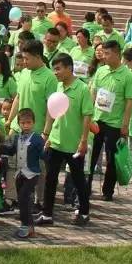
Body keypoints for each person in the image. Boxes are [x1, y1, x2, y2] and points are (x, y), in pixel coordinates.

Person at [38, 53, 94, 227]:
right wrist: (47, 134)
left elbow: (87, 116)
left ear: (69, 68)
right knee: (51, 179)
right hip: (56, 141)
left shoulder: (82, 88)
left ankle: (84, 212)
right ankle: (47, 214)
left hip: (74, 144)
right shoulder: (58, 87)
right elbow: (52, 112)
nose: (56, 72)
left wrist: (83, 141)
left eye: (58, 69)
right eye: (54, 69)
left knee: (78, 180)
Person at [89, 40, 132, 201]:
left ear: (117, 54)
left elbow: (129, 102)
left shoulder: (127, 75)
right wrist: (88, 115)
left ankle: (108, 191)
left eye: (107, 53)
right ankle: (86, 187)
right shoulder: (101, 71)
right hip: (96, 120)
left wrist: (125, 125)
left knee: (111, 160)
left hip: (114, 124)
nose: (104, 56)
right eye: (103, 53)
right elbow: (93, 93)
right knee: (90, 156)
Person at [0, 108, 43, 239]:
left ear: (33, 123)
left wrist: (47, 149)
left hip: (32, 173)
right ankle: (29, 227)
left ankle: (26, 226)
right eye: (23, 123)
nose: (26, 125)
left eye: (28, 122)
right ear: (19, 124)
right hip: (19, 173)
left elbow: (43, 156)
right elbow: (11, 150)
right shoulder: (17, 137)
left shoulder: (37, 139)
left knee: (24, 197)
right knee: (22, 200)